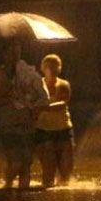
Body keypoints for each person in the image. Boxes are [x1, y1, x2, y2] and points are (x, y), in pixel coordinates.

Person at [0, 39, 48, 190]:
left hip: (28, 123)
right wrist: (8, 97)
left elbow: (38, 98)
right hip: (10, 125)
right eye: (12, 53)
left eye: (18, 53)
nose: (16, 56)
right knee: (16, 161)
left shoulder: (26, 74)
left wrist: (35, 107)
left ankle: (22, 196)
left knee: (27, 163)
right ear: (4, 54)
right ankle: (6, 187)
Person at [35, 53, 74, 188]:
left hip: (63, 129)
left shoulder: (63, 85)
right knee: (48, 172)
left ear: (59, 69)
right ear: (42, 68)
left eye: (54, 67)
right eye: (47, 67)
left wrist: (44, 107)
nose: (51, 69)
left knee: (65, 173)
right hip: (44, 130)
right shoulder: (37, 85)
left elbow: (63, 103)